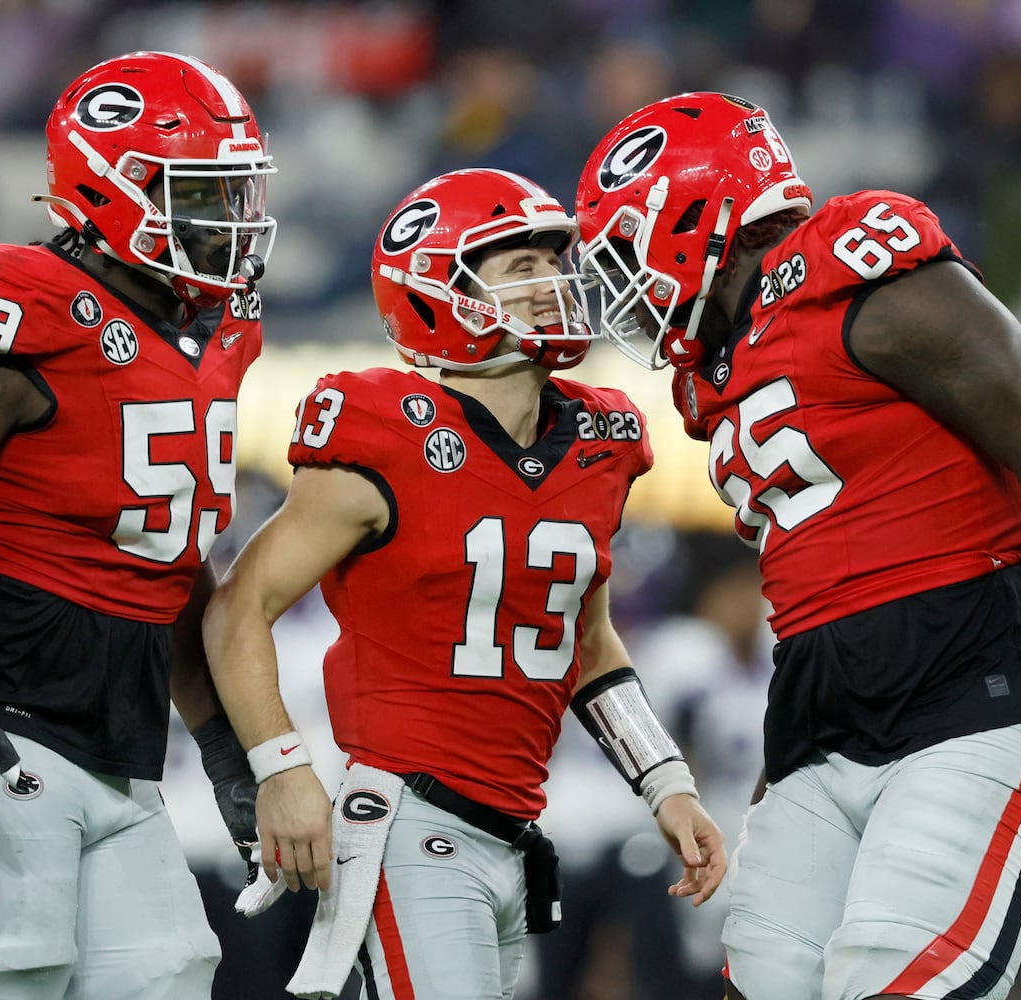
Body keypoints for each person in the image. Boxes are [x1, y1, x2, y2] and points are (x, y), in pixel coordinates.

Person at [574, 91, 1021, 1000]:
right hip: (819, 722)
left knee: (891, 984)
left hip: (971, 690)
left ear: (696, 214)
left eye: (628, 247)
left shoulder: (851, 259)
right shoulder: (717, 366)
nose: (626, 282)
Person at [202, 167, 726, 1000]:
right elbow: (238, 608)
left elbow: (582, 638)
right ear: (437, 291)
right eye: (519, 265)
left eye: (555, 256)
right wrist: (282, 769)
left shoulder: (604, 438)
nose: (554, 280)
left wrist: (665, 782)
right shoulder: (383, 429)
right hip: (406, 819)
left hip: (515, 828)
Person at [0, 51, 277, 999]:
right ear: (108, 189)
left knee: (170, 977)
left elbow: (165, 561)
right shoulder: (25, 299)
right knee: (2, 981)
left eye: (235, 192)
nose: (226, 222)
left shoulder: (223, 334)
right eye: (198, 194)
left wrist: (228, 756)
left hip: (115, 753)